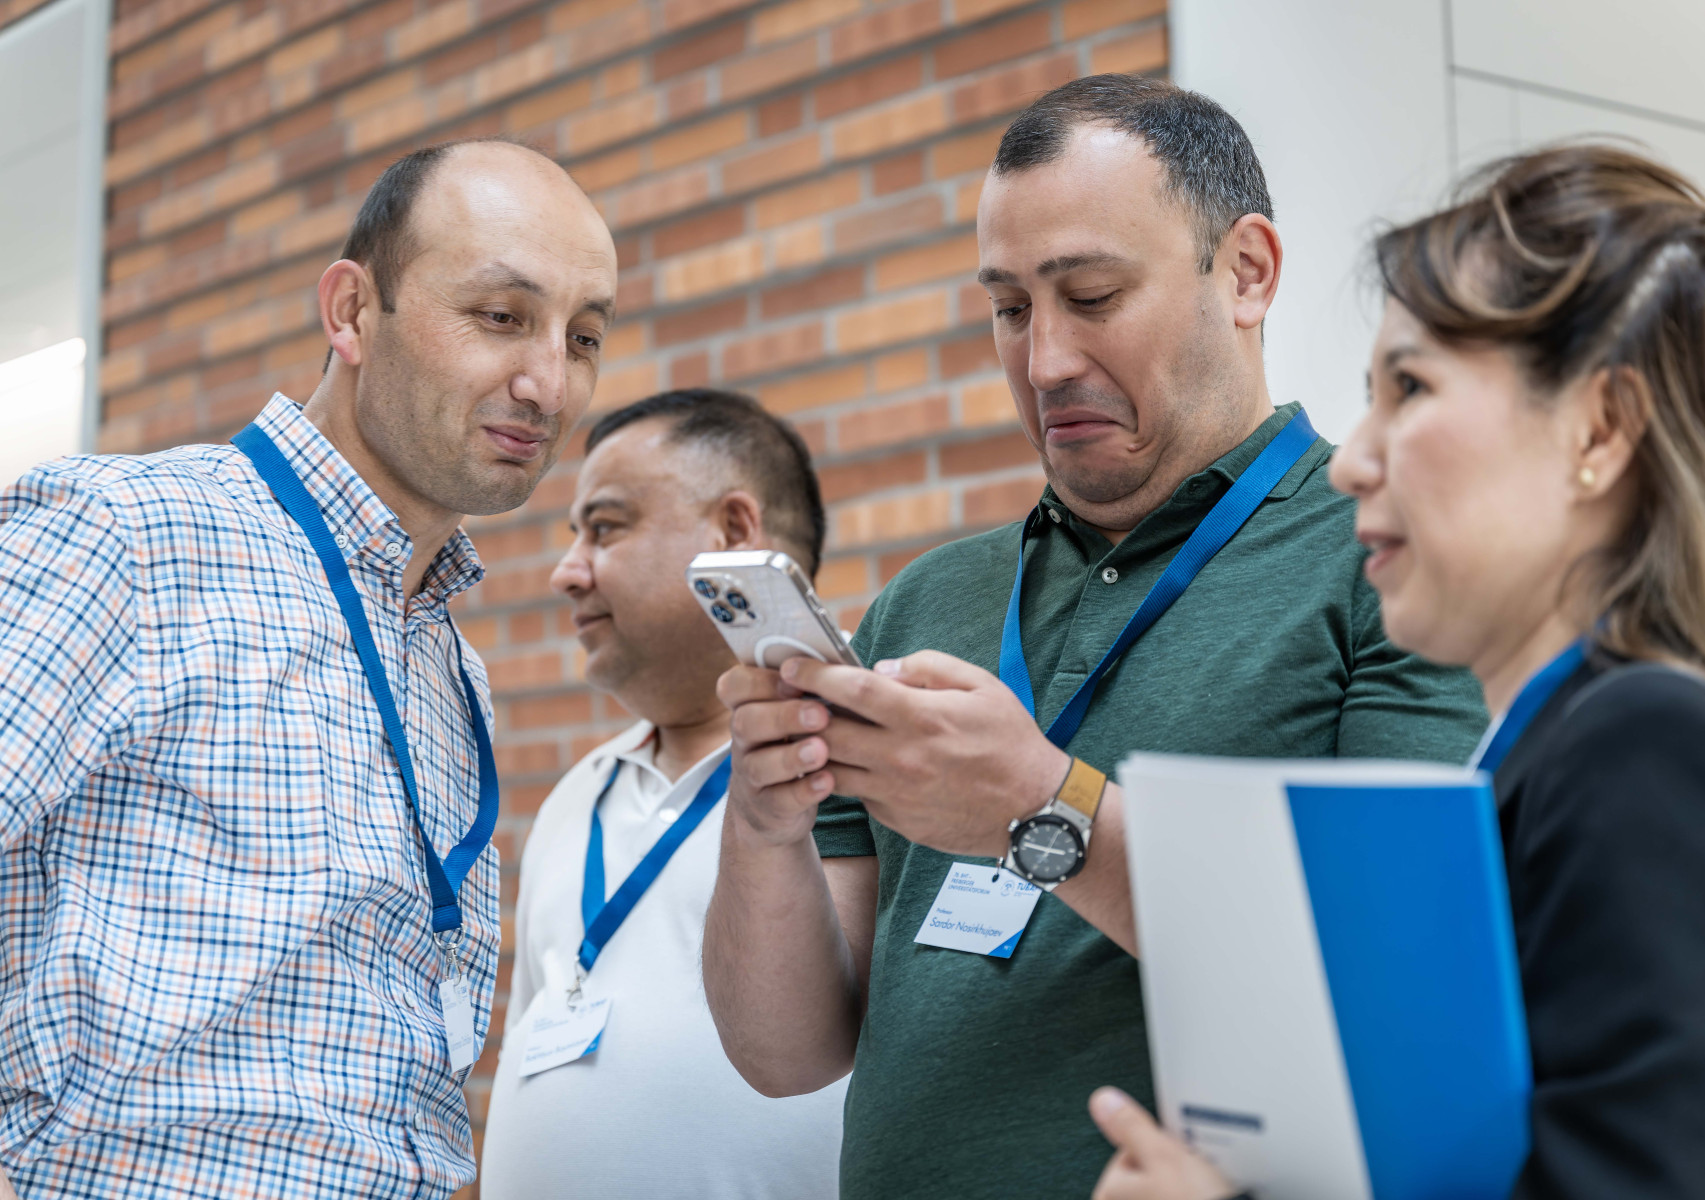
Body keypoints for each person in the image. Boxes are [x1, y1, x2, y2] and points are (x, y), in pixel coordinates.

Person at [700, 74, 1489, 1199]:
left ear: (1248, 272)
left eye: (1093, 295)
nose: (1045, 362)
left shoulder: (1385, 559)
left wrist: (1041, 807)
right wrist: (763, 820)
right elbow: (784, 1057)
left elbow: (1397, 972)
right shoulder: (925, 599)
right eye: (1011, 309)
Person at [1088, 144, 1705, 1199]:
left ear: (1601, 428)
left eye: (1410, 388)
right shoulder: (1563, 742)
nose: (1350, 461)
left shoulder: (1655, 744)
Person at [0, 138, 617, 1198]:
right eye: (500, 316)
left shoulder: (448, 661)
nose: (548, 383)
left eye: (584, 337)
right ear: (352, 313)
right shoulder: (126, 534)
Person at [479, 388, 847, 1199]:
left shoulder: (868, 759)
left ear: (734, 532)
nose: (566, 572)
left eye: (606, 528)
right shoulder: (574, 798)